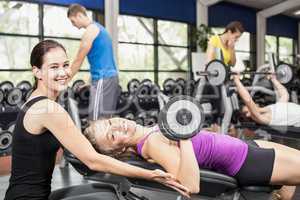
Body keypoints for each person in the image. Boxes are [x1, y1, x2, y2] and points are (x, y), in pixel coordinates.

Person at [3, 40, 189, 200]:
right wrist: (150, 175)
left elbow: (81, 150)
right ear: (37, 72)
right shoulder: (48, 108)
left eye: (65, 65)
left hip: (32, 194)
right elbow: (92, 161)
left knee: (109, 190)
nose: (63, 72)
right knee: (110, 196)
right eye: (54, 67)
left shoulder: (37, 100)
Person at [84, 117, 300, 200]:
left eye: (111, 121)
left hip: (247, 149)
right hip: (245, 162)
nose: (118, 126)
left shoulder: (149, 133)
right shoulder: (153, 142)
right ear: (117, 151)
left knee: (287, 190)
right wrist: (184, 136)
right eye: (113, 135)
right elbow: (190, 185)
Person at [67, 4, 119, 120]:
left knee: (96, 121)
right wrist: (90, 81)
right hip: (109, 78)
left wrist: (65, 80)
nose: (73, 25)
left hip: (103, 79)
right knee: (105, 119)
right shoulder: (100, 29)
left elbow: (78, 60)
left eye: (73, 21)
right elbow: (101, 60)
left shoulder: (90, 31)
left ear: (79, 15)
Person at [233, 73, 300, 127]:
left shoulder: (275, 108)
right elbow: (248, 100)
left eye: (247, 109)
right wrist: (236, 80)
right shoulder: (263, 118)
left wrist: (273, 79)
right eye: (246, 113)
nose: (247, 114)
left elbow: (284, 94)